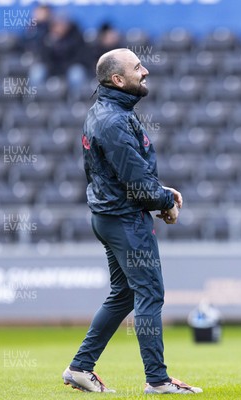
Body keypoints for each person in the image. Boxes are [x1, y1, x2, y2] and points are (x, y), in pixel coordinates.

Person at [62, 48, 202, 395]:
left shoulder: (105, 112)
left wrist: (160, 192)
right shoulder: (113, 120)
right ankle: (157, 379)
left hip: (109, 216)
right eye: (138, 67)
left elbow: (118, 174)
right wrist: (165, 201)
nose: (146, 71)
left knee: (123, 294)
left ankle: (80, 367)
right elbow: (137, 184)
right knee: (150, 294)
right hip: (125, 220)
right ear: (118, 79)